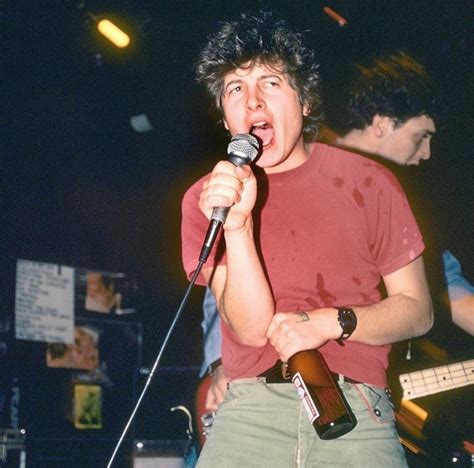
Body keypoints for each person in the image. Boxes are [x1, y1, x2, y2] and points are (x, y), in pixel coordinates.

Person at [181, 12, 432, 467]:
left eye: (271, 83)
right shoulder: (208, 199)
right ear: (225, 117)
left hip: (356, 406)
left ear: (306, 101)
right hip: (249, 412)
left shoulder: (370, 182)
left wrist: (332, 322)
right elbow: (251, 330)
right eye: (235, 88)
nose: (253, 101)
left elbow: (418, 310)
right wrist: (237, 227)